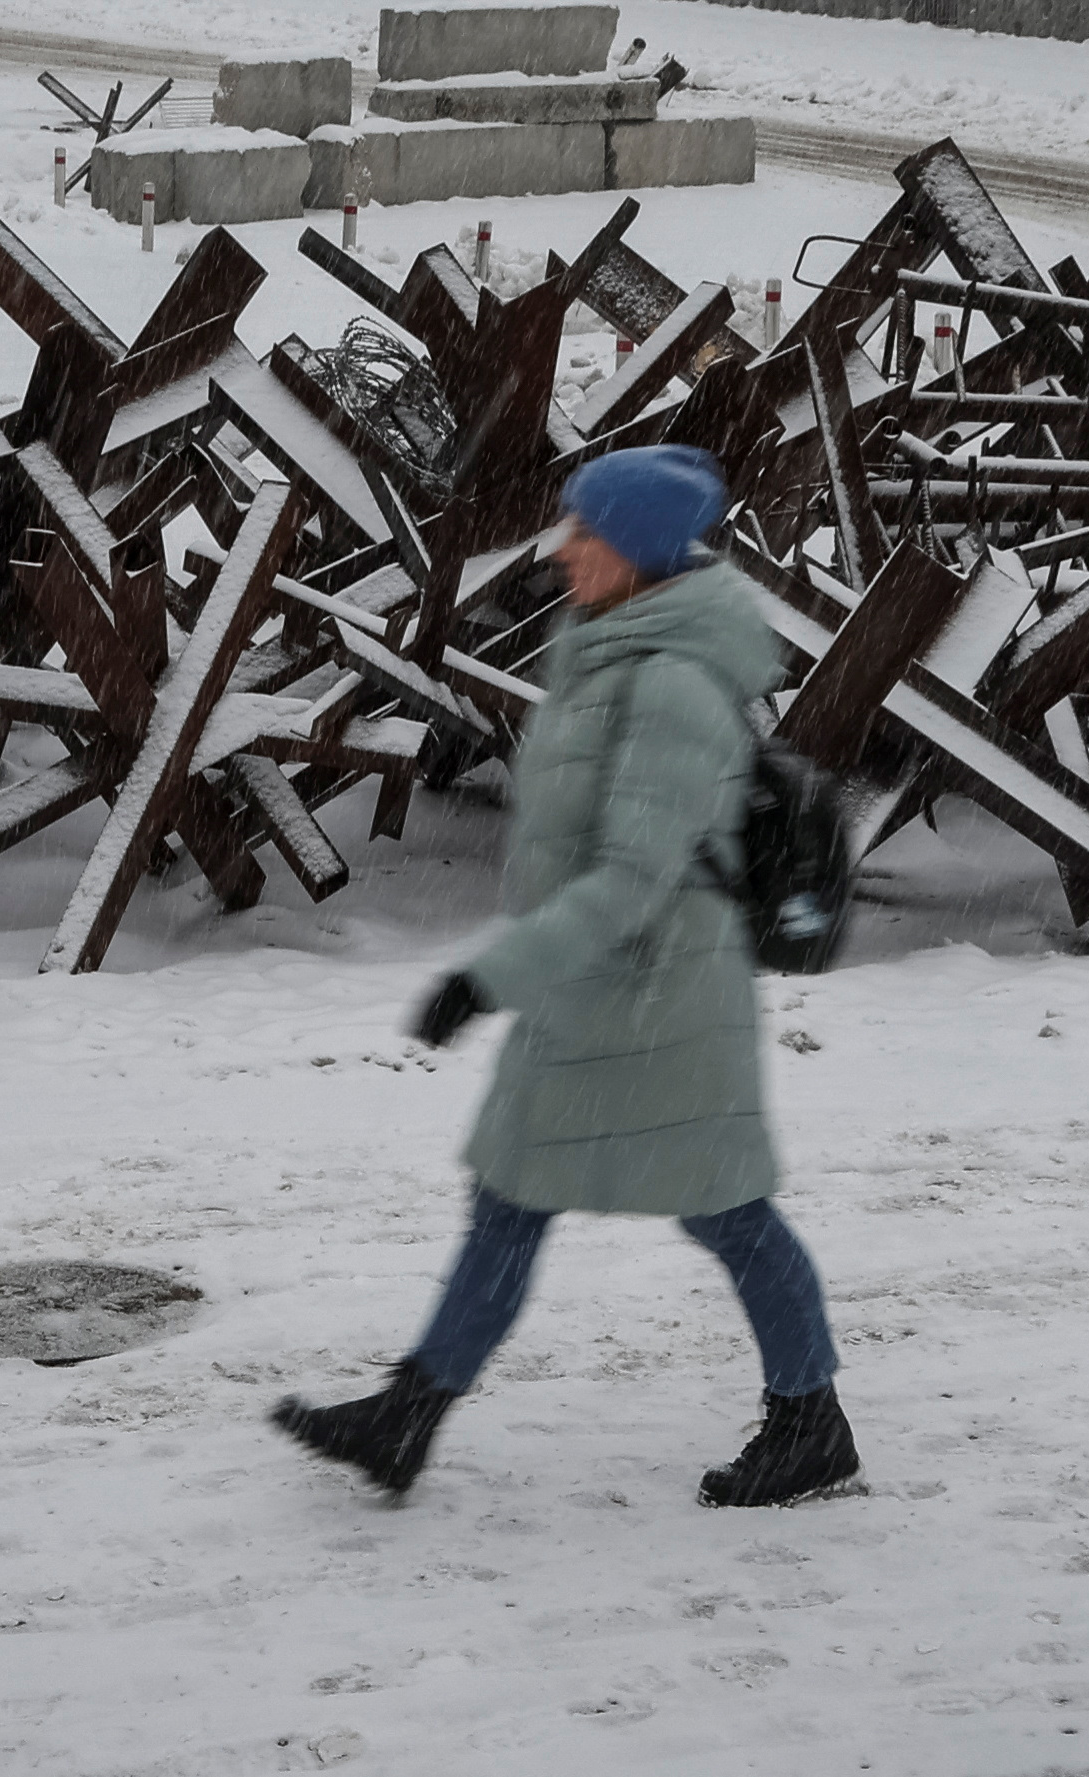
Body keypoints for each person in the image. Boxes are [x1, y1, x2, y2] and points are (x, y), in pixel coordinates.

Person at [271, 445, 859, 1509]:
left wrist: (488, 976)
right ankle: (407, 1416)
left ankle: (809, 1420)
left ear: (634, 551)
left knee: (725, 1210)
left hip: (660, 991)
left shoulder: (672, 681)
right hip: (594, 986)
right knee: (511, 1200)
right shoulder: (611, 644)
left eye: (586, 531)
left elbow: (633, 876)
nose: (565, 547)